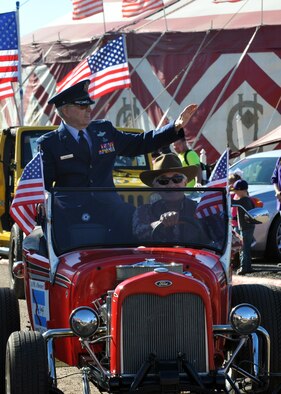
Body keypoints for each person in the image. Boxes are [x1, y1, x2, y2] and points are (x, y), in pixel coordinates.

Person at [37, 79, 198, 191]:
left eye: (89, 105)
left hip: (109, 209)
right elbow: (42, 186)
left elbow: (140, 143)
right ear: (65, 110)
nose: (89, 110)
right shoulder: (50, 143)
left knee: (138, 229)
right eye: (82, 106)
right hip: (71, 214)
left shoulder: (104, 131)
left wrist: (174, 127)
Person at [132, 153, 200, 242]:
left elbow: (218, 239)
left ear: (185, 182)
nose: (171, 185)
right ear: (155, 186)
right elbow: (138, 234)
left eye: (177, 179)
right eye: (163, 181)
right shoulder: (144, 211)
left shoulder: (201, 209)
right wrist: (161, 222)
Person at [232, 179, 255, 275]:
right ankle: (248, 266)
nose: (235, 192)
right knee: (246, 248)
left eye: (236, 190)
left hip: (245, 228)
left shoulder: (243, 200)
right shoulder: (249, 199)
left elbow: (231, 202)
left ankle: (243, 267)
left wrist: (226, 190)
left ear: (243, 190)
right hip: (248, 227)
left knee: (243, 248)